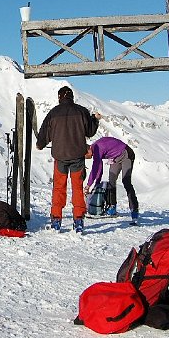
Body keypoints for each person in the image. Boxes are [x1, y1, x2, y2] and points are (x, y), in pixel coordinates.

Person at [35, 86, 99, 233]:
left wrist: (40, 144)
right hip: (77, 156)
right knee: (77, 188)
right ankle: (78, 221)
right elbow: (90, 131)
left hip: (60, 157)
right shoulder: (82, 111)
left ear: (59, 97)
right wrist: (94, 120)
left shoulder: (53, 113)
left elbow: (44, 135)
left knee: (59, 188)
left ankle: (56, 220)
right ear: (72, 97)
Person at [85, 137, 139, 224]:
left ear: (88, 150)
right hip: (116, 158)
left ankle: (134, 210)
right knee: (111, 181)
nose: (87, 158)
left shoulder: (98, 148)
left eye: (86, 156)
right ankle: (112, 208)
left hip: (126, 154)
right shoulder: (95, 149)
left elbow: (95, 168)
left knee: (126, 181)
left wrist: (88, 185)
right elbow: (99, 169)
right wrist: (96, 184)